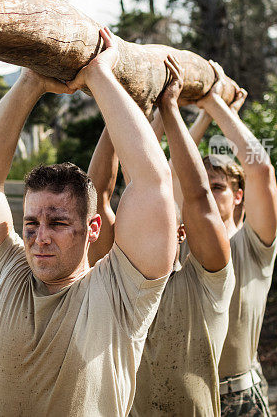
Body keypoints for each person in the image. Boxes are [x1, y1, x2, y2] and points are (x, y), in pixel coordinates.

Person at [0, 28, 178, 416]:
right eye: (32, 223)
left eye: (57, 223)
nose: (40, 238)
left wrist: (99, 75)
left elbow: (152, 183)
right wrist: (30, 82)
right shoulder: (6, 268)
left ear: (92, 229)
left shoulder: (123, 292)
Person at [88, 55, 235, 415]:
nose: (147, 233)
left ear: (181, 234)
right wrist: (120, 99)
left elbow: (199, 198)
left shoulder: (207, 282)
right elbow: (96, 194)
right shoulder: (118, 285)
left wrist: (170, 108)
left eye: (164, 225)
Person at [187, 62, 277, 416]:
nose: (207, 196)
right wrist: (202, 122)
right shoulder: (183, 244)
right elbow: (163, 179)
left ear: (238, 195)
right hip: (185, 393)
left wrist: (216, 106)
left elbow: (260, 169)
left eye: (218, 188)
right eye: (201, 189)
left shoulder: (255, 244)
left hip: (241, 397)